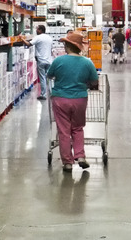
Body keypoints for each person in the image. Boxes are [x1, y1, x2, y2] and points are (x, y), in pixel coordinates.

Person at [47, 31, 99, 172]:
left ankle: (67, 162)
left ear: (68, 46)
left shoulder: (58, 61)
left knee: (64, 131)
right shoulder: (87, 63)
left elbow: (49, 75)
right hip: (80, 99)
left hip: (60, 99)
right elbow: (94, 81)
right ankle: (80, 156)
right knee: (77, 128)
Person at [22, 25, 53, 100]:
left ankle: (43, 94)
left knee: (42, 78)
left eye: (37, 29)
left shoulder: (38, 37)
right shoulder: (49, 38)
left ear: (40, 30)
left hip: (41, 61)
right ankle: (52, 93)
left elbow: (28, 44)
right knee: (49, 78)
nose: (36, 30)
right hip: (49, 60)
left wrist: (22, 39)